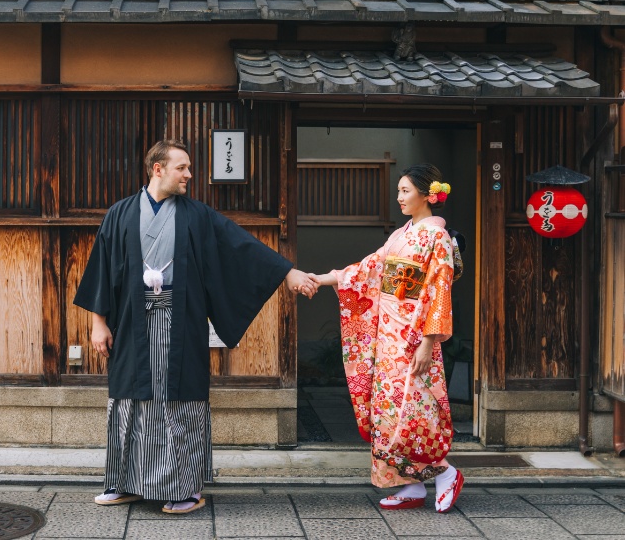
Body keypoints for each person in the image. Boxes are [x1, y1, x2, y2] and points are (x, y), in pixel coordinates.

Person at [74, 139, 315, 515]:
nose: (189, 174)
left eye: (189, 167)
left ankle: (184, 488)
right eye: (182, 167)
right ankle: (124, 481)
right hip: (131, 322)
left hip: (179, 322)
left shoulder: (197, 216)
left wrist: (289, 273)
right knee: (128, 401)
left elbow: (241, 247)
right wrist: (98, 323)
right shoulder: (120, 213)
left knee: (180, 402)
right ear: (158, 169)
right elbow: (103, 271)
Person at [309, 163, 465, 513]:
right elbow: (368, 269)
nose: (399, 197)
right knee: (388, 411)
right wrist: (322, 279)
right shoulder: (400, 236)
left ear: (427, 194)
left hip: (416, 333)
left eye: (405, 191)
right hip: (389, 334)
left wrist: (429, 341)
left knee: (416, 410)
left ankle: (445, 473)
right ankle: (408, 485)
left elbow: (440, 291)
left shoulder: (436, 237)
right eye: (398, 191)